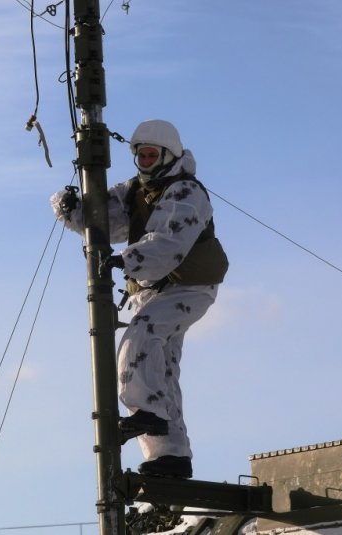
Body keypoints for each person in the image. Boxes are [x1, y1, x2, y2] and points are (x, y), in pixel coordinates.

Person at [50, 119, 228, 479]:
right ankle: (169, 456)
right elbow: (102, 220)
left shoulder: (185, 193)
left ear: (168, 154)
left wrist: (124, 260)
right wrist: (71, 209)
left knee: (140, 339)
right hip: (154, 290)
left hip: (190, 285)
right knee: (161, 366)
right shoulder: (136, 191)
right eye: (141, 156)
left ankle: (148, 412)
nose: (146, 162)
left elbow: (170, 243)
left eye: (152, 155)